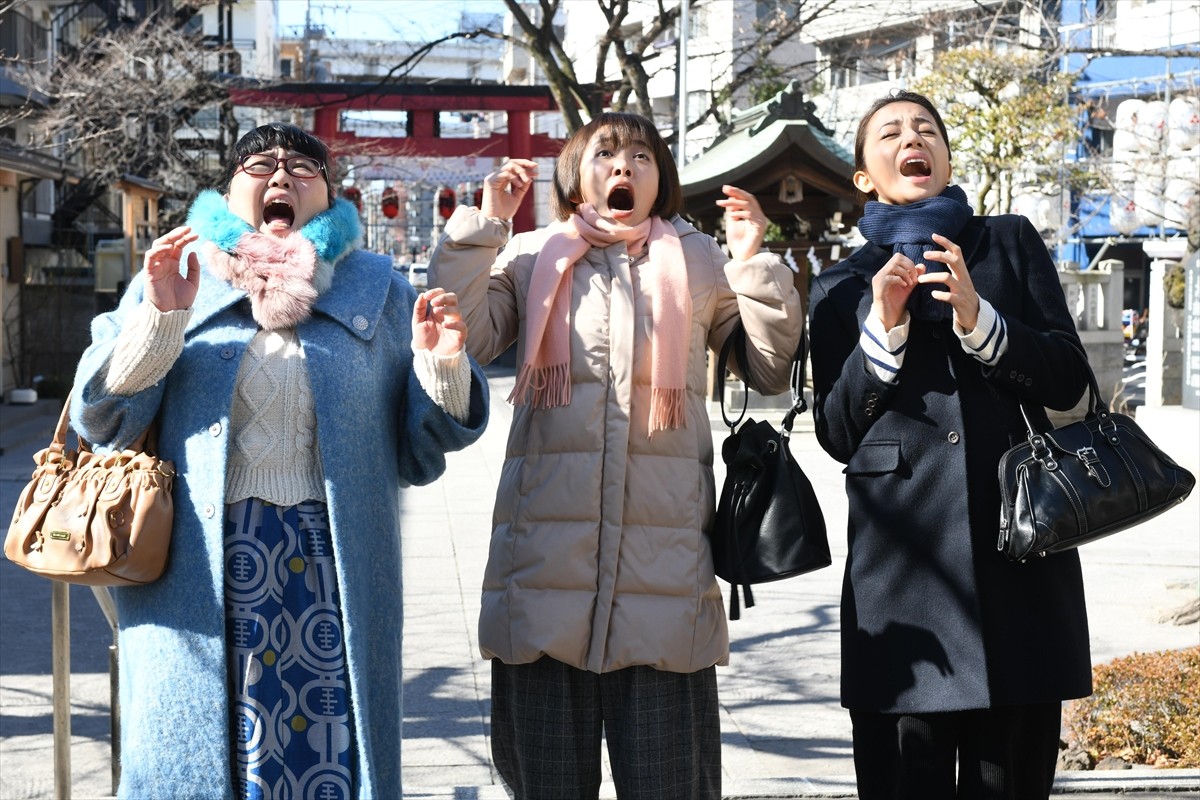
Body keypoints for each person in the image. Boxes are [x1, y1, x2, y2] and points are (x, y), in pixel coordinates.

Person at [69, 122, 489, 798]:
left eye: (303, 166)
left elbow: (423, 448)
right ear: (231, 188)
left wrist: (441, 365)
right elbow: (105, 421)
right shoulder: (179, 273)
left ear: (329, 191)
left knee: (324, 756)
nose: (282, 175)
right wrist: (160, 320)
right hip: (195, 569)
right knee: (200, 757)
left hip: (330, 570)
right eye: (260, 163)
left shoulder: (377, 288)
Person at [430, 112, 803, 798]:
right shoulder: (533, 254)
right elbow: (474, 339)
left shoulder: (698, 258)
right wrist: (485, 229)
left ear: (662, 179)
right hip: (541, 580)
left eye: (641, 154)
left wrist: (752, 262)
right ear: (576, 175)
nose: (624, 166)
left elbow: (770, 368)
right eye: (606, 153)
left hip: (665, 589)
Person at [807, 90, 1093, 799]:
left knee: (1013, 776)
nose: (914, 140)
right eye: (893, 133)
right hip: (904, 580)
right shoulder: (841, 287)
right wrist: (884, 330)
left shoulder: (1009, 242)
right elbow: (838, 434)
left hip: (1019, 561)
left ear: (944, 156)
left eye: (927, 130)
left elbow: (1067, 382)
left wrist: (980, 317)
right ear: (866, 176)